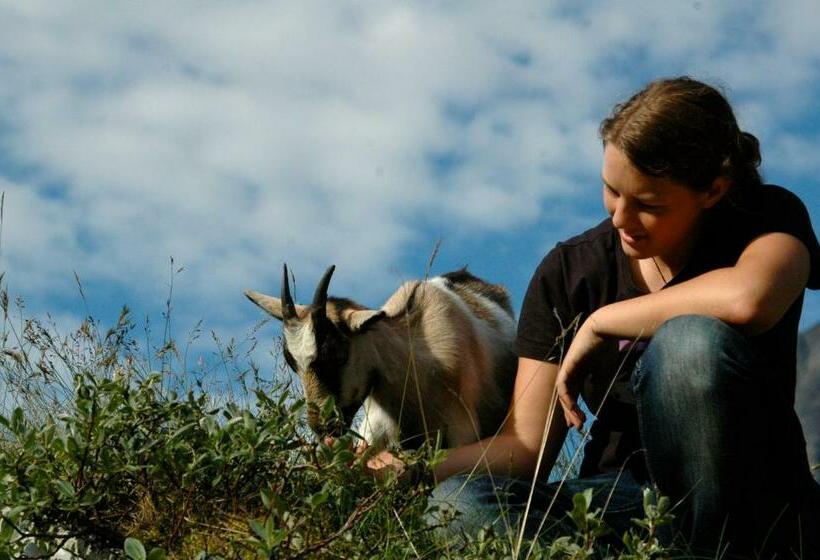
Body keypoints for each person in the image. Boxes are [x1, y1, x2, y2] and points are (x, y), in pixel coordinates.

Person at [368, 76, 820, 557]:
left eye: (648, 204)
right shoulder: (569, 272)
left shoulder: (766, 218)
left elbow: (751, 297)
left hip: (755, 500)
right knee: (456, 508)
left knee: (689, 343)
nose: (621, 219)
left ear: (712, 190)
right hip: (622, 501)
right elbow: (526, 448)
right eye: (611, 191)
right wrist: (411, 470)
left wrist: (601, 321)